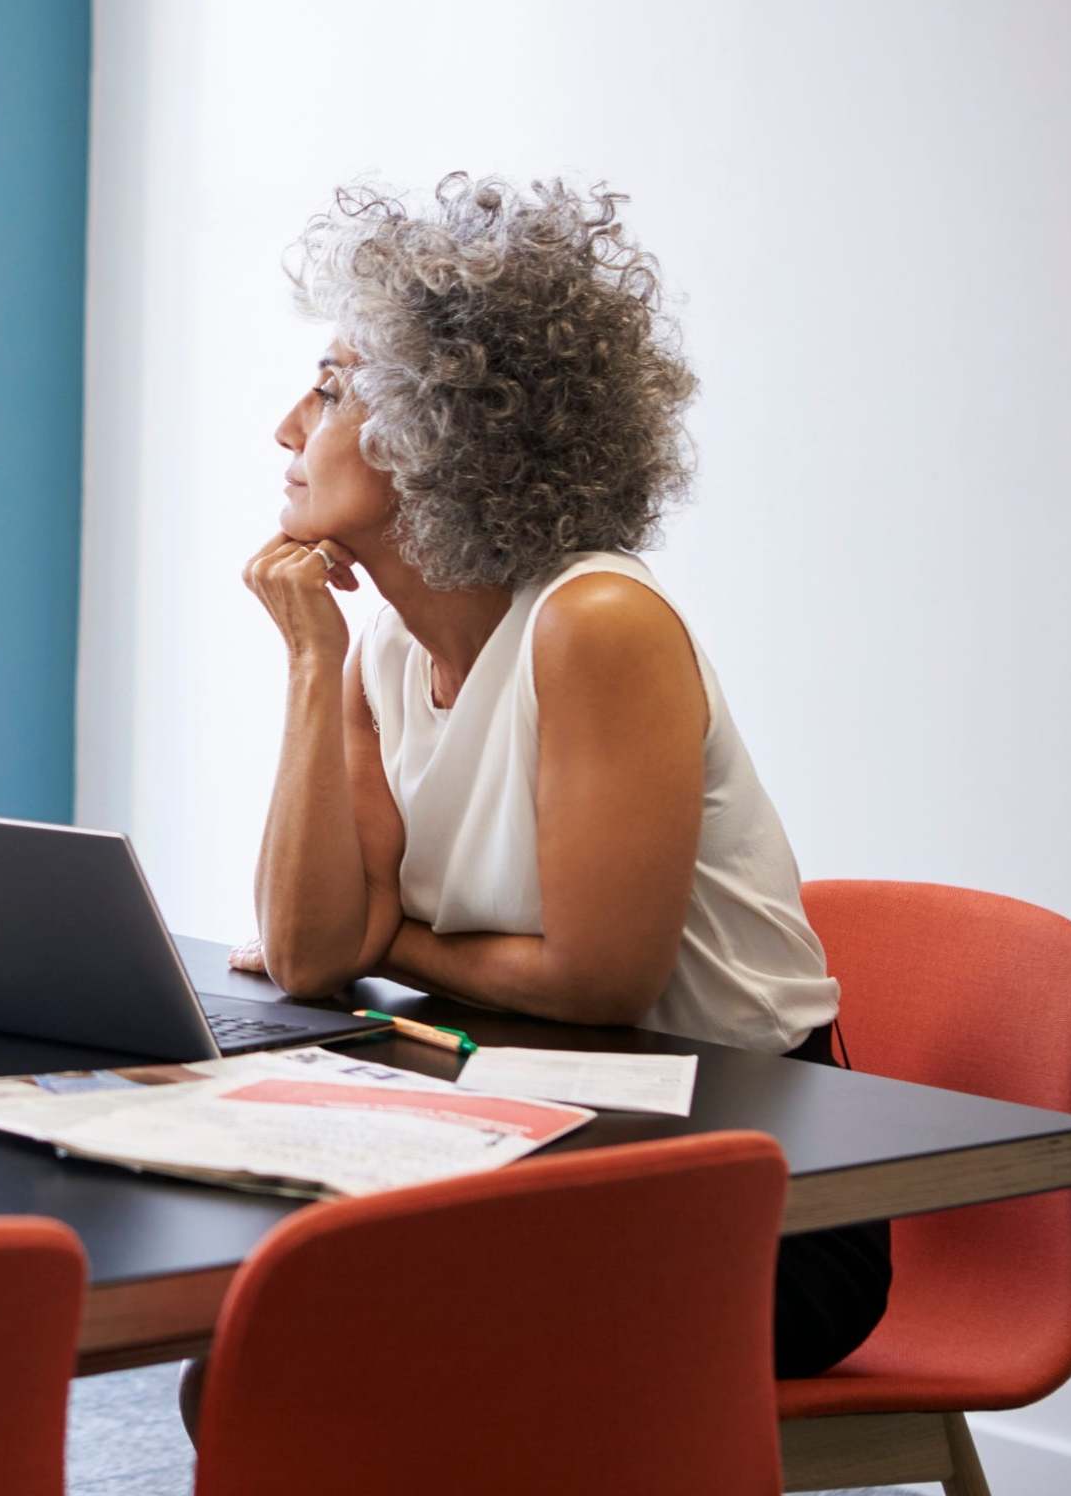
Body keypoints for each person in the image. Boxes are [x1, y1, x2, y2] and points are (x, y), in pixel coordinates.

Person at [181, 174, 888, 1435]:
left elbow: (599, 981)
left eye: (332, 387)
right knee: (250, 1357)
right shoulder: (387, 645)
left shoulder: (597, 625)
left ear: (442, 430)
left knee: (307, 1362)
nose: (290, 425)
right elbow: (301, 951)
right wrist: (308, 657)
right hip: (538, 1134)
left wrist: (387, 944)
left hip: (754, 1193)